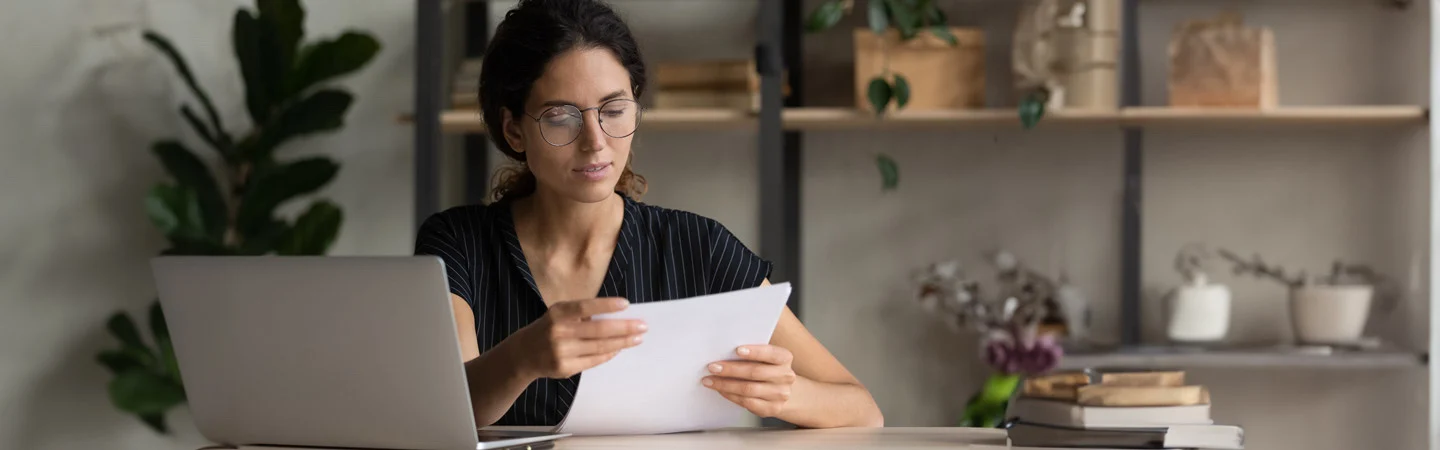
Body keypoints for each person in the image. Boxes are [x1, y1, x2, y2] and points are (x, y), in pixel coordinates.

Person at [414, 0, 883, 429]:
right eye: (561, 117)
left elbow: (863, 412)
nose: (595, 141)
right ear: (514, 129)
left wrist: (785, 394)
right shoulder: (458, 242)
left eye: (614, 109)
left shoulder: (697, 246)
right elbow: (446, 417)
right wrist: (522, 358)